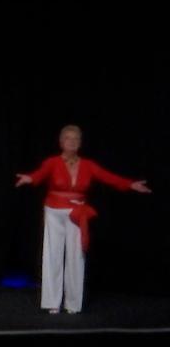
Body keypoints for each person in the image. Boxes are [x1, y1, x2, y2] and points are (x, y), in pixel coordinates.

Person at [15, 125, 151, 314]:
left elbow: (108, 177)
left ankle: (73, 303)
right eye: (68, 138)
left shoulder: (88, 165)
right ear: (61, 142)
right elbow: (40, 174)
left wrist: (129, 184)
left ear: (80, 143)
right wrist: (30, 178)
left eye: (76, 139)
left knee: (76, 257)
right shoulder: (52, 162)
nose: (72, 141)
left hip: (78, 212)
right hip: (54, 211)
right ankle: (52, 302)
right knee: (52, 256)